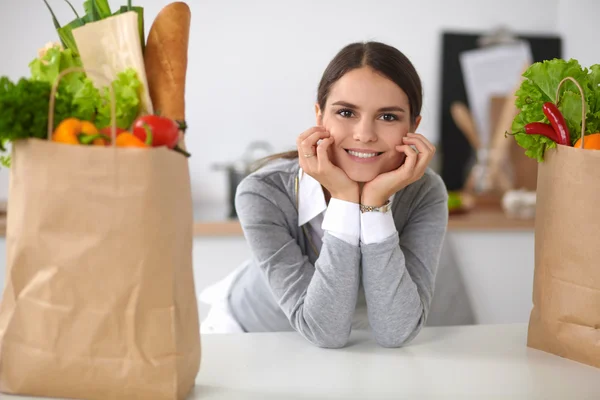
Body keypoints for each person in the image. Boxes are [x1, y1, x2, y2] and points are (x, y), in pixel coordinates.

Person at [200, 41, 449, 349]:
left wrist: (374, 206)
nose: (364, 134)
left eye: (388, 117)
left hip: (351, 348)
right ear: (319, 116)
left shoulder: (425, 192)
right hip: (250, 339)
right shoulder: (263, 192)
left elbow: (396, 331)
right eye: (346, 112)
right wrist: (346, 199)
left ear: (413, 126)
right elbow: (324, 331)